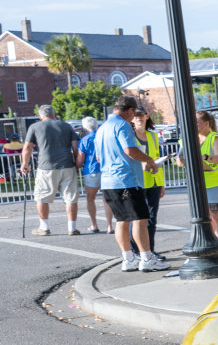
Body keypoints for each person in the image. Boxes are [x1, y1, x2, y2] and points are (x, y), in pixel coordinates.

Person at [94, 95, 167, 271]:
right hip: (126, 179)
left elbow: (98, 157)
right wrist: (148, 159)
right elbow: (130, 150)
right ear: (129, 111)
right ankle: (147, 259)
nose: (133, 117)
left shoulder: (102, 128)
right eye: (133, 112)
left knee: (122, 221)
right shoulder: (122, 125)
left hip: (108, 181)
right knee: (140, 219)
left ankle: (128, 259)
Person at [20, 106, 82, 236]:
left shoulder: (35, 127)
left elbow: (27, 147)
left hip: (46, 166)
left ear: (40, 116)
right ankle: (72, 228)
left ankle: (44, 227)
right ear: (55, 115)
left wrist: (24, 164)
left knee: (42, 197)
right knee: (70, 197)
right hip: (67, 165)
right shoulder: (66, 126)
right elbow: (75, 147)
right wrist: (76, 164)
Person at [182, 109, 218, 260]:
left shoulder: (215, 138)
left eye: (196, 122)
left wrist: (203, 157)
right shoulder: (192, 138)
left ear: (206, 123)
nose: (194, 125)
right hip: (198, 183)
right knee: (204, 218)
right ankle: (210, 246)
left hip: (215, 183)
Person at [131, 108, 166, 253]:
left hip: (154, 181)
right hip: (137, 181)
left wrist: (162, 183)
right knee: (138, 218)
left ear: (147, 116)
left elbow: (157, 157)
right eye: (136, 115)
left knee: (152, 218)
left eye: (141, 115)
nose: (139, 118)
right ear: (132, 119)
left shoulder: (153, 136)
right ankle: (136, 251)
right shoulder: (129, 136)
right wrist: (142, 164)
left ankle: (150, 250)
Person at [75, 116, 109, 234]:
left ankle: (94, 224)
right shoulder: (104, 137)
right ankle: (110, 225)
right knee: (107, 199)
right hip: (106, 170)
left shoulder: (84, 140)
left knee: (90, 199)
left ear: (85, 129)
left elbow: (80, 159)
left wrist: (76, 167)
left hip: (91, 170)